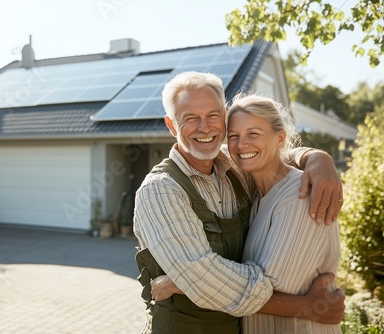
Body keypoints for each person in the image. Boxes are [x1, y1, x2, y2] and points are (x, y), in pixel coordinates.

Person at [133, 71, 345, 334]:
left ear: (223, 116)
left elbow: (272, 153)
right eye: (190, 118)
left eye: (212, 115)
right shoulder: (160, 190)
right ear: (171, 125)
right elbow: (203, 278)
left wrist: (317, 158)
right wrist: (305, 306)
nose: (204, 127)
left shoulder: (235, 167)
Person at [225, 93, 342, 333]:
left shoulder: (300, 195)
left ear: (280, 138)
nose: (241, 144)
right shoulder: (259, 195)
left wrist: (186, 282)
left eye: (253, 134)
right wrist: (316, 156)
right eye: (233, 136)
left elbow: (265, 289)